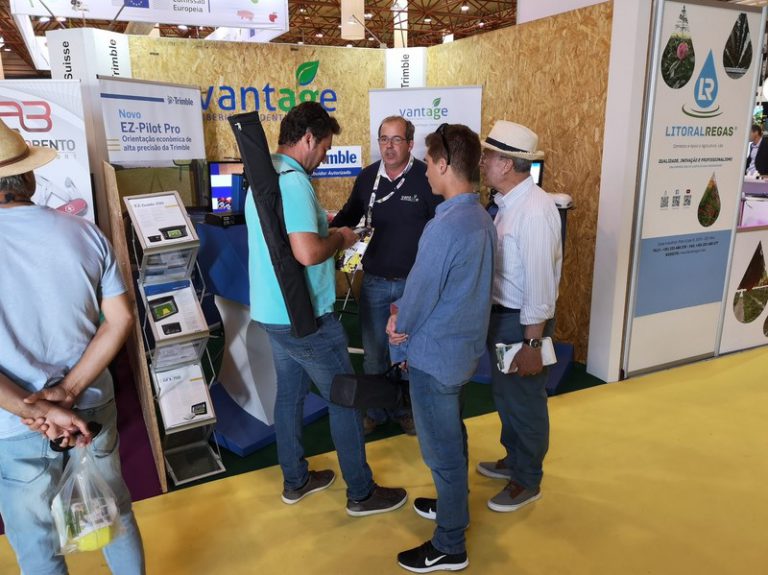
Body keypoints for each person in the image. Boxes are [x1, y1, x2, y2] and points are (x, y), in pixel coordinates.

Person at [245, 101, 407, 515]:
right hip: (306, 317)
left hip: (273, 313)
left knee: (290, 395)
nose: (322, 158)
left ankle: (296, 480)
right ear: (308, 139)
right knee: (346, 398)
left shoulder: (263, 176)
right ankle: (361, 492)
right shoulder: (294, 183)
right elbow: (307, 252)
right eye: (323, 149)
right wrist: (340, 238)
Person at [0, 119, 145, 574]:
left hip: (15, 423)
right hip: (90, 406)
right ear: (27, 176)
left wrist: (37, 408)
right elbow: (120, 319)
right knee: (113, 511)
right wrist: (69, 390)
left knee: (37, 542)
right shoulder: (84, 233)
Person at [387, 124, 496, 573]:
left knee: (441, 451)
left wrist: (398, 327)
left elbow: (420, 293)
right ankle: (454, 507)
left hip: (435, 357)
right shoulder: (481, 218)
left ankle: (450, 543)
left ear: (446, 165)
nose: (426, 170)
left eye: (430, 163)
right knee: (453, 434)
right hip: (461, 353)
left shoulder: (445, 226)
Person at [331, 116, 440, 436]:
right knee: (374, 355)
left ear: (410, 143)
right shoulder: (367, 178)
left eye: (396, 140)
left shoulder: (426, 178)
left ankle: (405, 411)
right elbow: (349, 215)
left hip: (413, 287)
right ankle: (376, 412)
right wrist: (324, 229)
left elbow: (440, 228)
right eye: (383, 139)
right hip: (375, 282)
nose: (389, 146)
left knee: (409, 355)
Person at [477, 120, 562, 513]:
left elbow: (540, 286)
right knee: (506, 396)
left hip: (522, 323)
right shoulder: (508, 205)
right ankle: (514, 460)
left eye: (488, 155)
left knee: (525, 401)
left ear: (507, 164)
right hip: (504, 319)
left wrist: (532, 343)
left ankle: (528, 479)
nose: (482, 162)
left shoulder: (534, 211)